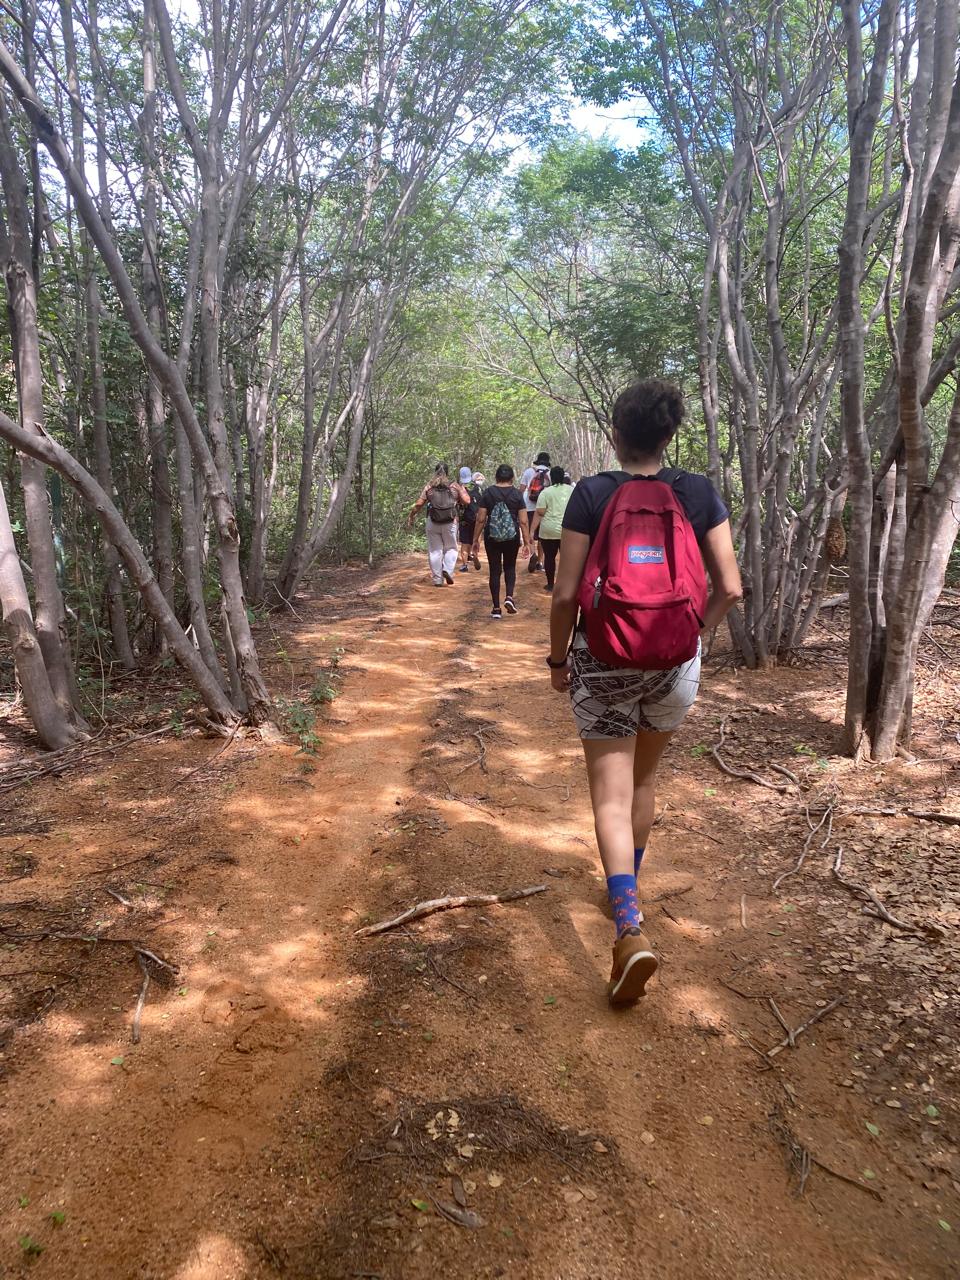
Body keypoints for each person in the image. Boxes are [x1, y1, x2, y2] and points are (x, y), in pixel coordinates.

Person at [546, 379, 742, 1005]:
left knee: (609, 792)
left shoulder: (592, 493)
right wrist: (694, 636)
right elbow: (730, 588)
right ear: (669, 434)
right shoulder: (699, 492)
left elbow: (564, 593)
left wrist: (557, 660)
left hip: (602, 658)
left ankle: (629, 926)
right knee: (644, 781)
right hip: (674, 660)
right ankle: (627, 885)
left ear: (614, 433)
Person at [471, 464, 531, 619]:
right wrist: (526, 542)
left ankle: (496, 608)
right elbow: (523, 521)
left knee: (495, 570)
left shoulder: (488, 493)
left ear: (496, 477)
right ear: (512, 478)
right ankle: (509, 597)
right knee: (510, 567)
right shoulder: (517, 494)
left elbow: (481, 518)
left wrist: (475, 540)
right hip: (512, 537)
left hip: (492, 536)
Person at [407, 463, 470, 586]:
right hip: (450, 522)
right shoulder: (454, 485)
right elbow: (467, 500)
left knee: (435, 550)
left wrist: (411, 515)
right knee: (451, 548)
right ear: (447, 472)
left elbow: (419, 504)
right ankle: (447, 569)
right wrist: (460, 493)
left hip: (433, 521)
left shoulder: (429, 486)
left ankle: (437, 579)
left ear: (435, 472)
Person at [530, 465, 572, 593]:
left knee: (549, 557)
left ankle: (550, 585)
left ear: (551, 478)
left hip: (548, 531)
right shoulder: (571, 490)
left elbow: (540, 512)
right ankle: (565, 585)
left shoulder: (546, 492)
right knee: (566, 558)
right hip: (567, 530)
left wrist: (531, 531)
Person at [520, 451, 551, 572]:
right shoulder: (551, 473)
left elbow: (521, 489)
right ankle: (540, 562)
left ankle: (533, 555)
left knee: (530, 534)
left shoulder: (529, 472)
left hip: (529, 507)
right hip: (544, 509)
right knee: (542, 537)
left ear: (537, 461)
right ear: (547, 463)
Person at [455, 466, 482, 572]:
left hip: (464, 519)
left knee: (465, 543)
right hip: (476, 517)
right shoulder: (478, 487)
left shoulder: (459, 488)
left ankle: (465, 565)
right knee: (475, 538)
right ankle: (474, 554)